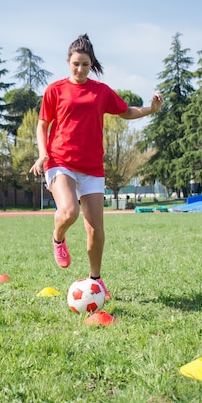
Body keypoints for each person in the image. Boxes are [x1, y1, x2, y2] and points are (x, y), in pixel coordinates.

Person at [29, 34, 163, 299]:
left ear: (92, 65)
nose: (80, 70)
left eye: (86, 65)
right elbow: (43, 124)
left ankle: (96, 280)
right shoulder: (55, 90)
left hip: (91, 167)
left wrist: (151, 109)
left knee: (96, 229)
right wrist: (43, 154)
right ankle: (58, 237)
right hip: (60, 161)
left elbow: (125, 111)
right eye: (76, 64)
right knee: (68, 212)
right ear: (68, 61)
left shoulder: (100, 92)